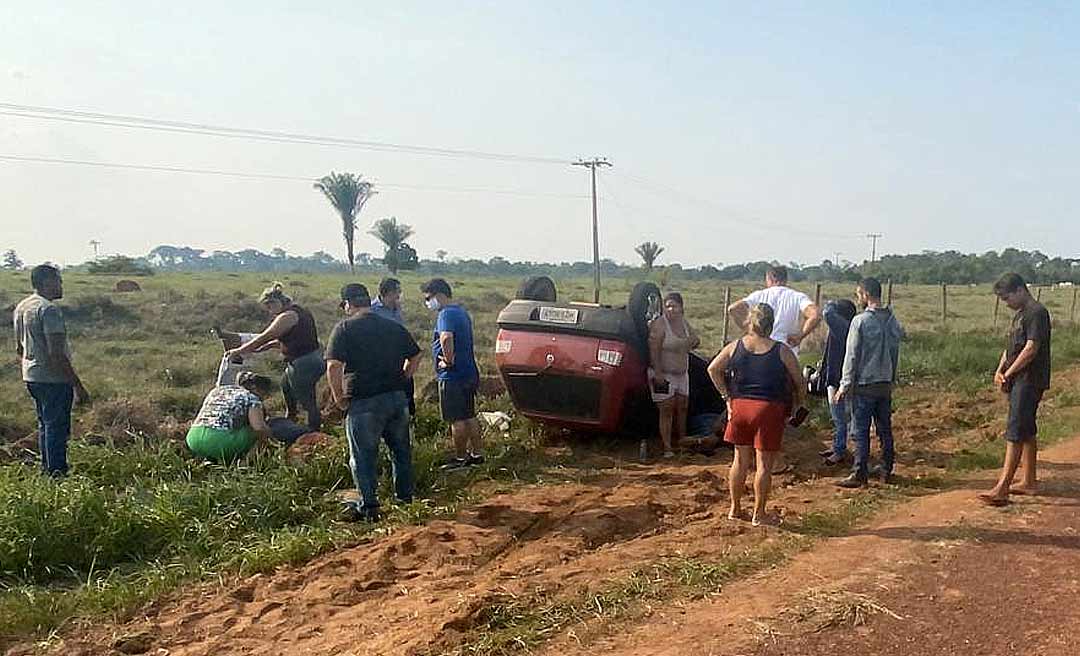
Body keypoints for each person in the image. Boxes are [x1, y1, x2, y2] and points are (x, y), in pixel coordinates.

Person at [326, 283, 422, 522]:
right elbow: (416, 354)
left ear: (348, 303)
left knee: (363, 457)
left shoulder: (345, 328)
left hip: (364, 401)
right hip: (396, 398)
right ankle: (405, 499)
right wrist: (404, 376)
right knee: (400, 452)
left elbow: (333, 366)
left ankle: (369, 507)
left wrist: (338, 398)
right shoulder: (392, 326)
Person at [709, 303, 805, 526]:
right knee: (763, 464)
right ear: (771, 324)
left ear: (749, 322)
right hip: (768, 409)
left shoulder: (735, 346)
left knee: (739, 460)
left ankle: (735, 509)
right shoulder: (781, 350)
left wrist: (727, 397)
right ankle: (759, 514)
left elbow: (713, 369)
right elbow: (799, 381)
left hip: (740, 407)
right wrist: (799, 403)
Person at [979, 273, 1052, 506]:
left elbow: (1031, 349)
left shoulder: (1037, 314)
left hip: (1029, 379)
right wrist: (1000, 369)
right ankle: (1029, 481)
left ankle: (1002, 487)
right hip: (1016, 378)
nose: (1006, 303)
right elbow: (1010, 347)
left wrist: (1009, 374)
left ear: (1020, 290)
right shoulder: (1020, 315)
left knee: (1015, 430)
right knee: (1027, 429)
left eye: (1007, 297)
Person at [13, 264, 90, 476]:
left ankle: (47, 469)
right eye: (58, 280)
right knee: (57, 428)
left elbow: (19, 348)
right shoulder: (48, 310)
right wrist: (78, 385)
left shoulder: (22, 307)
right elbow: (56, 354)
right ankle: (57, 473)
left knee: (45, 425)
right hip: (53, 379)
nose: (61, 285)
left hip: (31, 376)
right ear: (47, 282)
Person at [836, 278, 905, 488]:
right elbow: (895, 351)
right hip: (885, 383)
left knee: (861, 430)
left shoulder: (861, 321)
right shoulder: (892, 320)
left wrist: (844, 385)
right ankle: (886, 468)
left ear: (866, 294)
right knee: (885, 428)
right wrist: (892, 377)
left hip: (865, 384)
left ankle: (860, 473)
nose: (858, 298)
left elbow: (852, 356)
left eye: (859, 294)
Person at [227, 282, 324, 431]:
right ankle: (291, 417)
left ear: (277, 302)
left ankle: (313, 432)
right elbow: (287, 340)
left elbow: (265, 336)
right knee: (286, 386)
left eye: (270, 306)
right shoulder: (300, 311)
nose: (270, 311)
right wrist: (262, 349)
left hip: (304, 362)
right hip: (309, 358)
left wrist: (239, 351)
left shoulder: (287, 316)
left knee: (307, 400)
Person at [421, 278, 483, 469]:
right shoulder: (461, 312)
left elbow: (446, 337)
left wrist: (447, 361)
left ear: (439, 295)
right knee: (469, 415)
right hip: (468, 372)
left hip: (452, 376)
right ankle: (477, 455)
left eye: (428, 298)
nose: (428, 302)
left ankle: (459, 458)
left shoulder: (445, 314)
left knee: (457, 419)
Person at [648, 292, 701, 458]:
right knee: (666, 409)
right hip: (664, 372)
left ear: (681, 308)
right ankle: (667, 447)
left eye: (674, 306)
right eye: (668, 306)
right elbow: (654, 350)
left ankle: (682, 443)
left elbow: (696, 341)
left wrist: (687, 343)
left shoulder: (684, 323)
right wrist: (658, 373)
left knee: (682, 407)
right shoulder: (659, 325)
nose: (671, 309)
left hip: (682, 373)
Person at [727, 265, 821, 355]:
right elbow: (815, 315)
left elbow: (733, 309)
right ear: (785, 279)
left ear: (770, 278)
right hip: (787, 351)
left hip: (761, 350)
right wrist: (800, 336)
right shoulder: (797, 296)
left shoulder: (759, 295)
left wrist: (748, 329)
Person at [186, 372, 275, 463]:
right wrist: (271, 438)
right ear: (255, 388)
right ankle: (246, 463)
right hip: (220, 442)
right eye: (265, 394)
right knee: (260, 432)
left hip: (193, 438)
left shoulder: (218, 390)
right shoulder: (252, 398)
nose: (264, 398)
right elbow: (258, 427)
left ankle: (206, 459)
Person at [819, 299, 859, 465]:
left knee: (840, 416)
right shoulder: (849, 328)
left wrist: (830, 303)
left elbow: (827, 313)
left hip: (838, 379)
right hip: (839, 377)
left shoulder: (842, 328)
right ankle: (839, 446)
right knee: (841, 417)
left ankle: (840, 450)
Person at [369, 277, 416, 417]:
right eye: (397, 292)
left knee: (407, 395)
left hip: (399, 360)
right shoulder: (373, 310)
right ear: (387, 293)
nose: (399, 295)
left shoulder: (397, 309)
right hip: (380, 363)